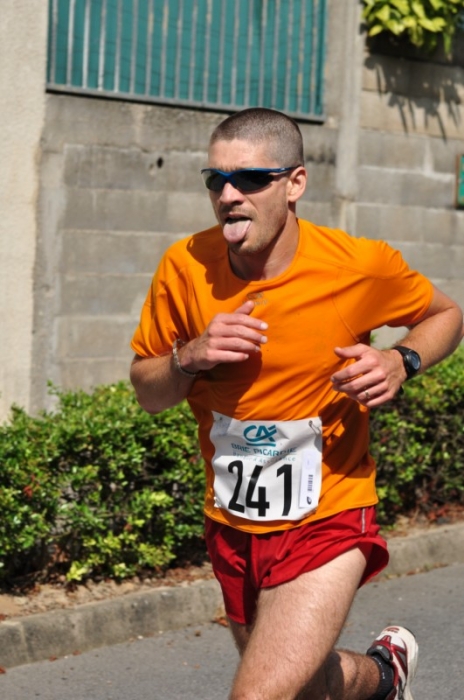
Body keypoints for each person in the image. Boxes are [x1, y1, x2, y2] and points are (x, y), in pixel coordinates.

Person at [130, 107, 463, 700]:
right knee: (306, 686)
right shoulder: (184, 266)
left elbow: (446, 314)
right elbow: (147, 392)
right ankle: (385, 677)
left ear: (295, 183)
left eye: (250, 179)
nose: (228, 195)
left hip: (329, 513)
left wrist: (400, 360)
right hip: (232, 521)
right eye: (216, 180)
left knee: (258, 694)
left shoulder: (356, 266)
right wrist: (189, 356)